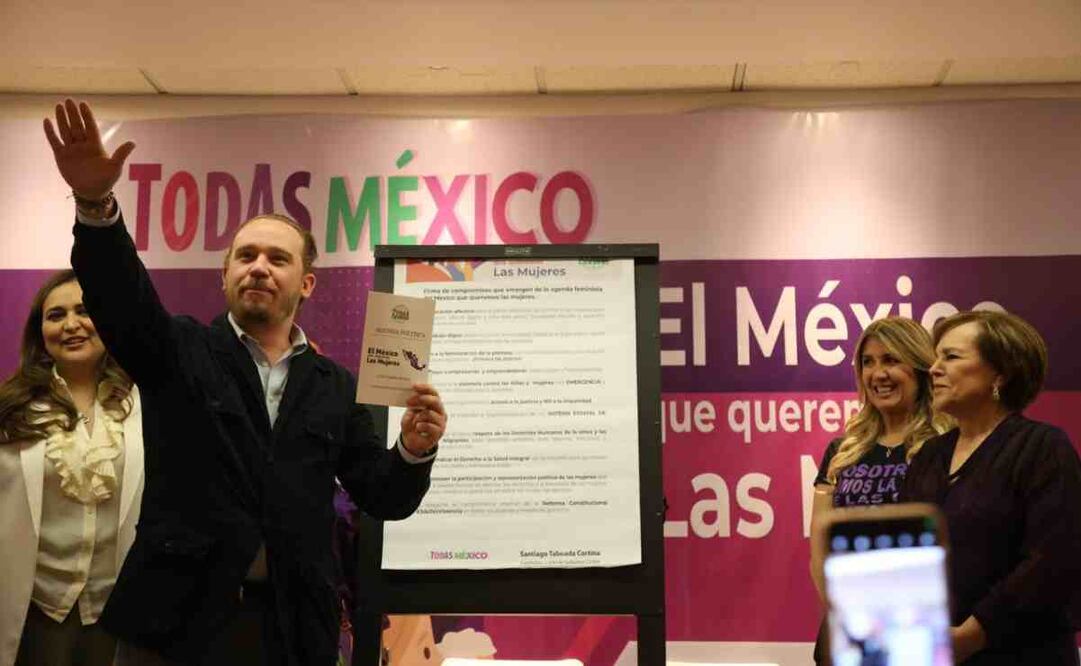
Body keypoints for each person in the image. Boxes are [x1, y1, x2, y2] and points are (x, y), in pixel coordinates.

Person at [43, 99, 447, 666]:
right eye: (245, 255)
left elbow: (383, 494)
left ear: (306, 284)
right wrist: (94, 204)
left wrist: (413, 449)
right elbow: (118, 295)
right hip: (174, 627)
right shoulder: (177, 350)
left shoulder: (335, 384)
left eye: (277, 259)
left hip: (292, 627)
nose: (258, 266)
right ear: (224, 274)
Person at [901, 310, 1081, 664]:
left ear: (1001, 372)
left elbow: (1054, 561)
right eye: (936, 357)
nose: (933, 369)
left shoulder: (1043, 448)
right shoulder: (928, 455)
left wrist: (971, 635)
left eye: (950, 357)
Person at [0, 270, 144, 666]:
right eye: (56, 315)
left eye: (85, 310)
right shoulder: (11, 409)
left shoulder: (145, 404)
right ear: (40, 331)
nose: (71, 325)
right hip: (33, 607)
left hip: (116, 610)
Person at [809, 316, 949, 664]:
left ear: (919, 369)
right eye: (868, 363)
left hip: (917, 629)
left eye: (891, 360)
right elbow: (819, 547)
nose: (877, 374)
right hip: (850, 628)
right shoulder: (843, 450)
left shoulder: (945, 445)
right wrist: (847, 616)